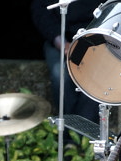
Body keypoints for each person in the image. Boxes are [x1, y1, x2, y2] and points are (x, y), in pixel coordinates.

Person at [30, 0, 100, 132]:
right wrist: (62, 43)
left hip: (96, 39)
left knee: (96, 76)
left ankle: (82, 135)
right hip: (60, 38)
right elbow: (41, 11)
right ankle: (69, 134)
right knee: (60, 73)